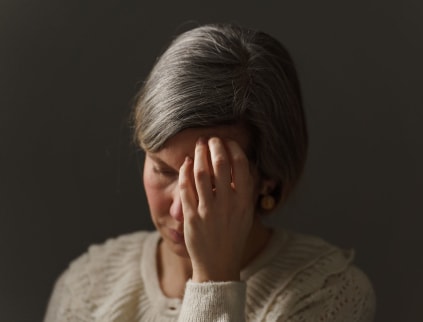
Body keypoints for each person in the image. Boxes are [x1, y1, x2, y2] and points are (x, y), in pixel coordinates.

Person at [44, 23, 375, 321]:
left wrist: (214, 280)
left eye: (210, 180)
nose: (180, 210)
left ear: (267, 180)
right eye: (163, 170)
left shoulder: (329, 293)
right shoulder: (87, 288)